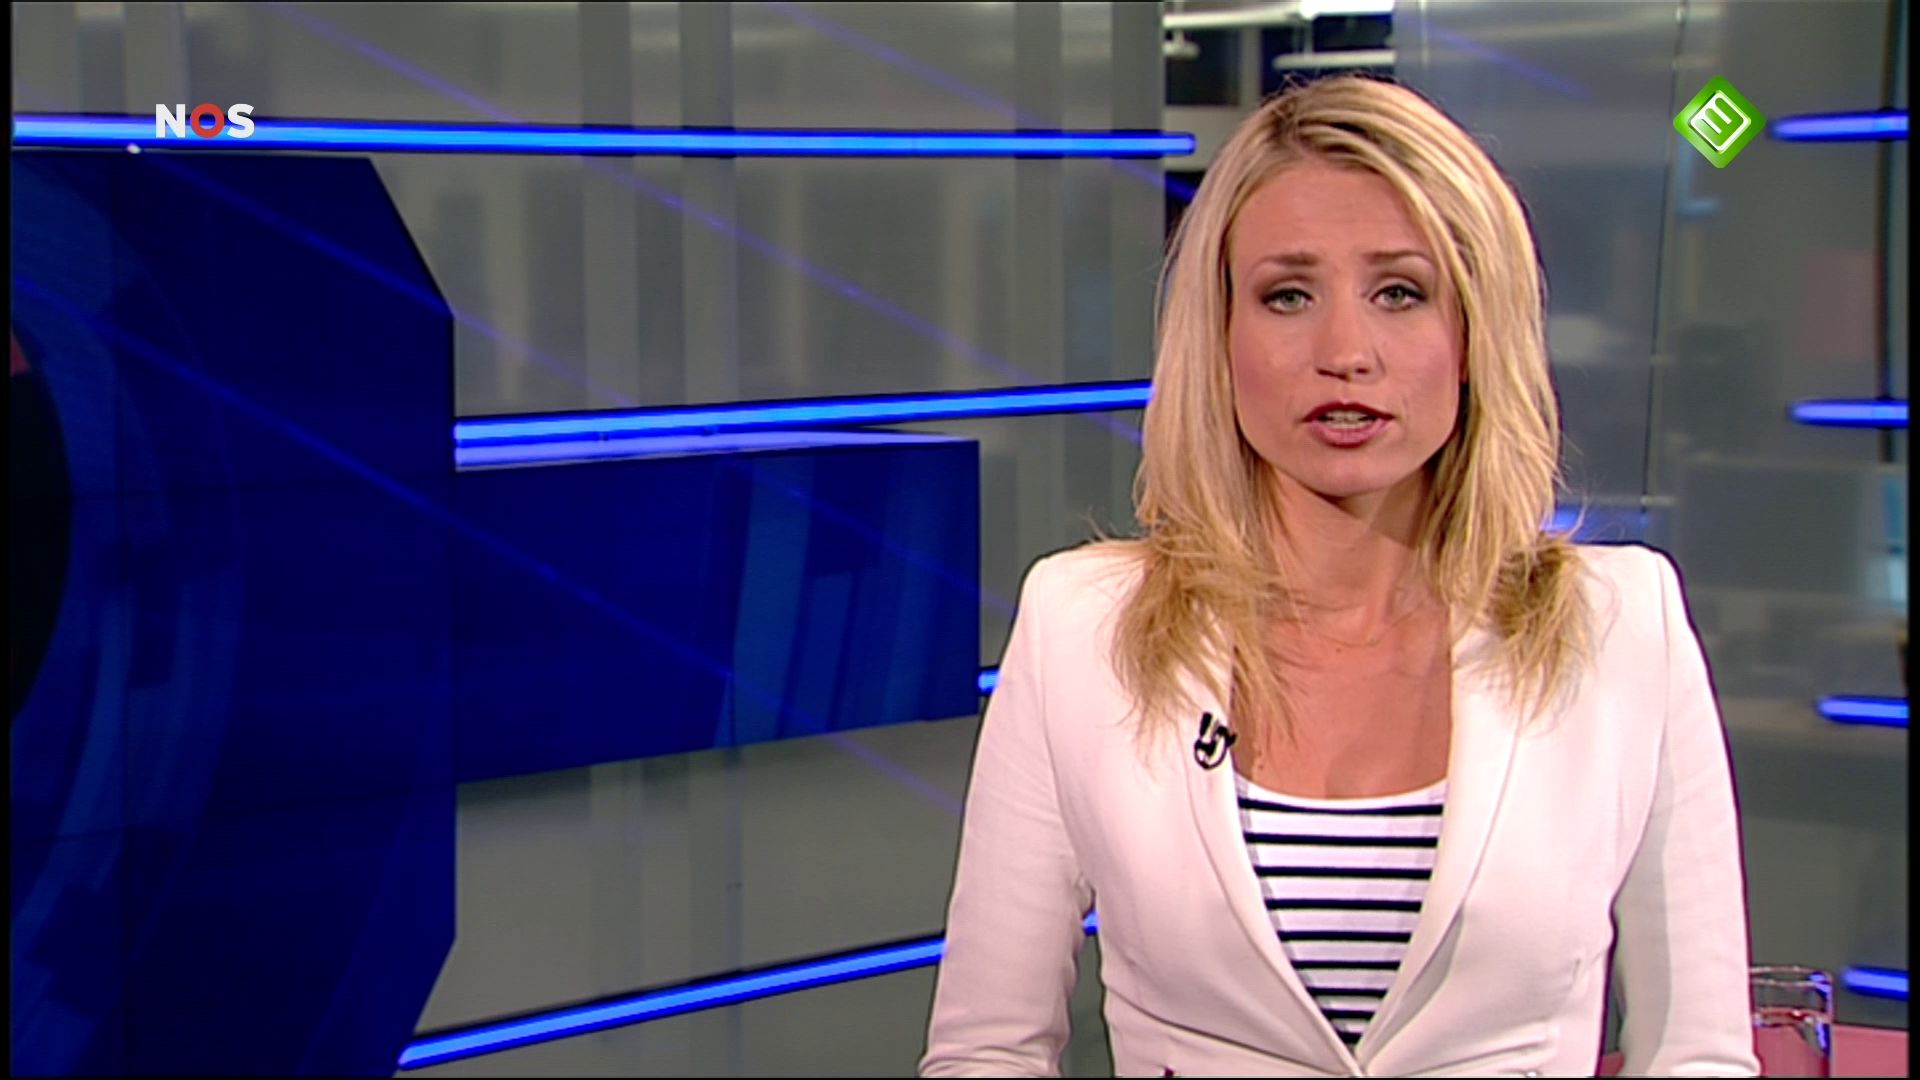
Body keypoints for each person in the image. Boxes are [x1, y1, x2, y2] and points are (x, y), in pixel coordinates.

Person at [920, 74, 1758, 1078]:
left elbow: (1699, 1054)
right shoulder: (1080, 628)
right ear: (1220, 336)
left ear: (1474, 334)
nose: (1345, 352)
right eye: (1288, 296)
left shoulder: (1622, 625)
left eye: (1400, 292)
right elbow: (987, 1049)